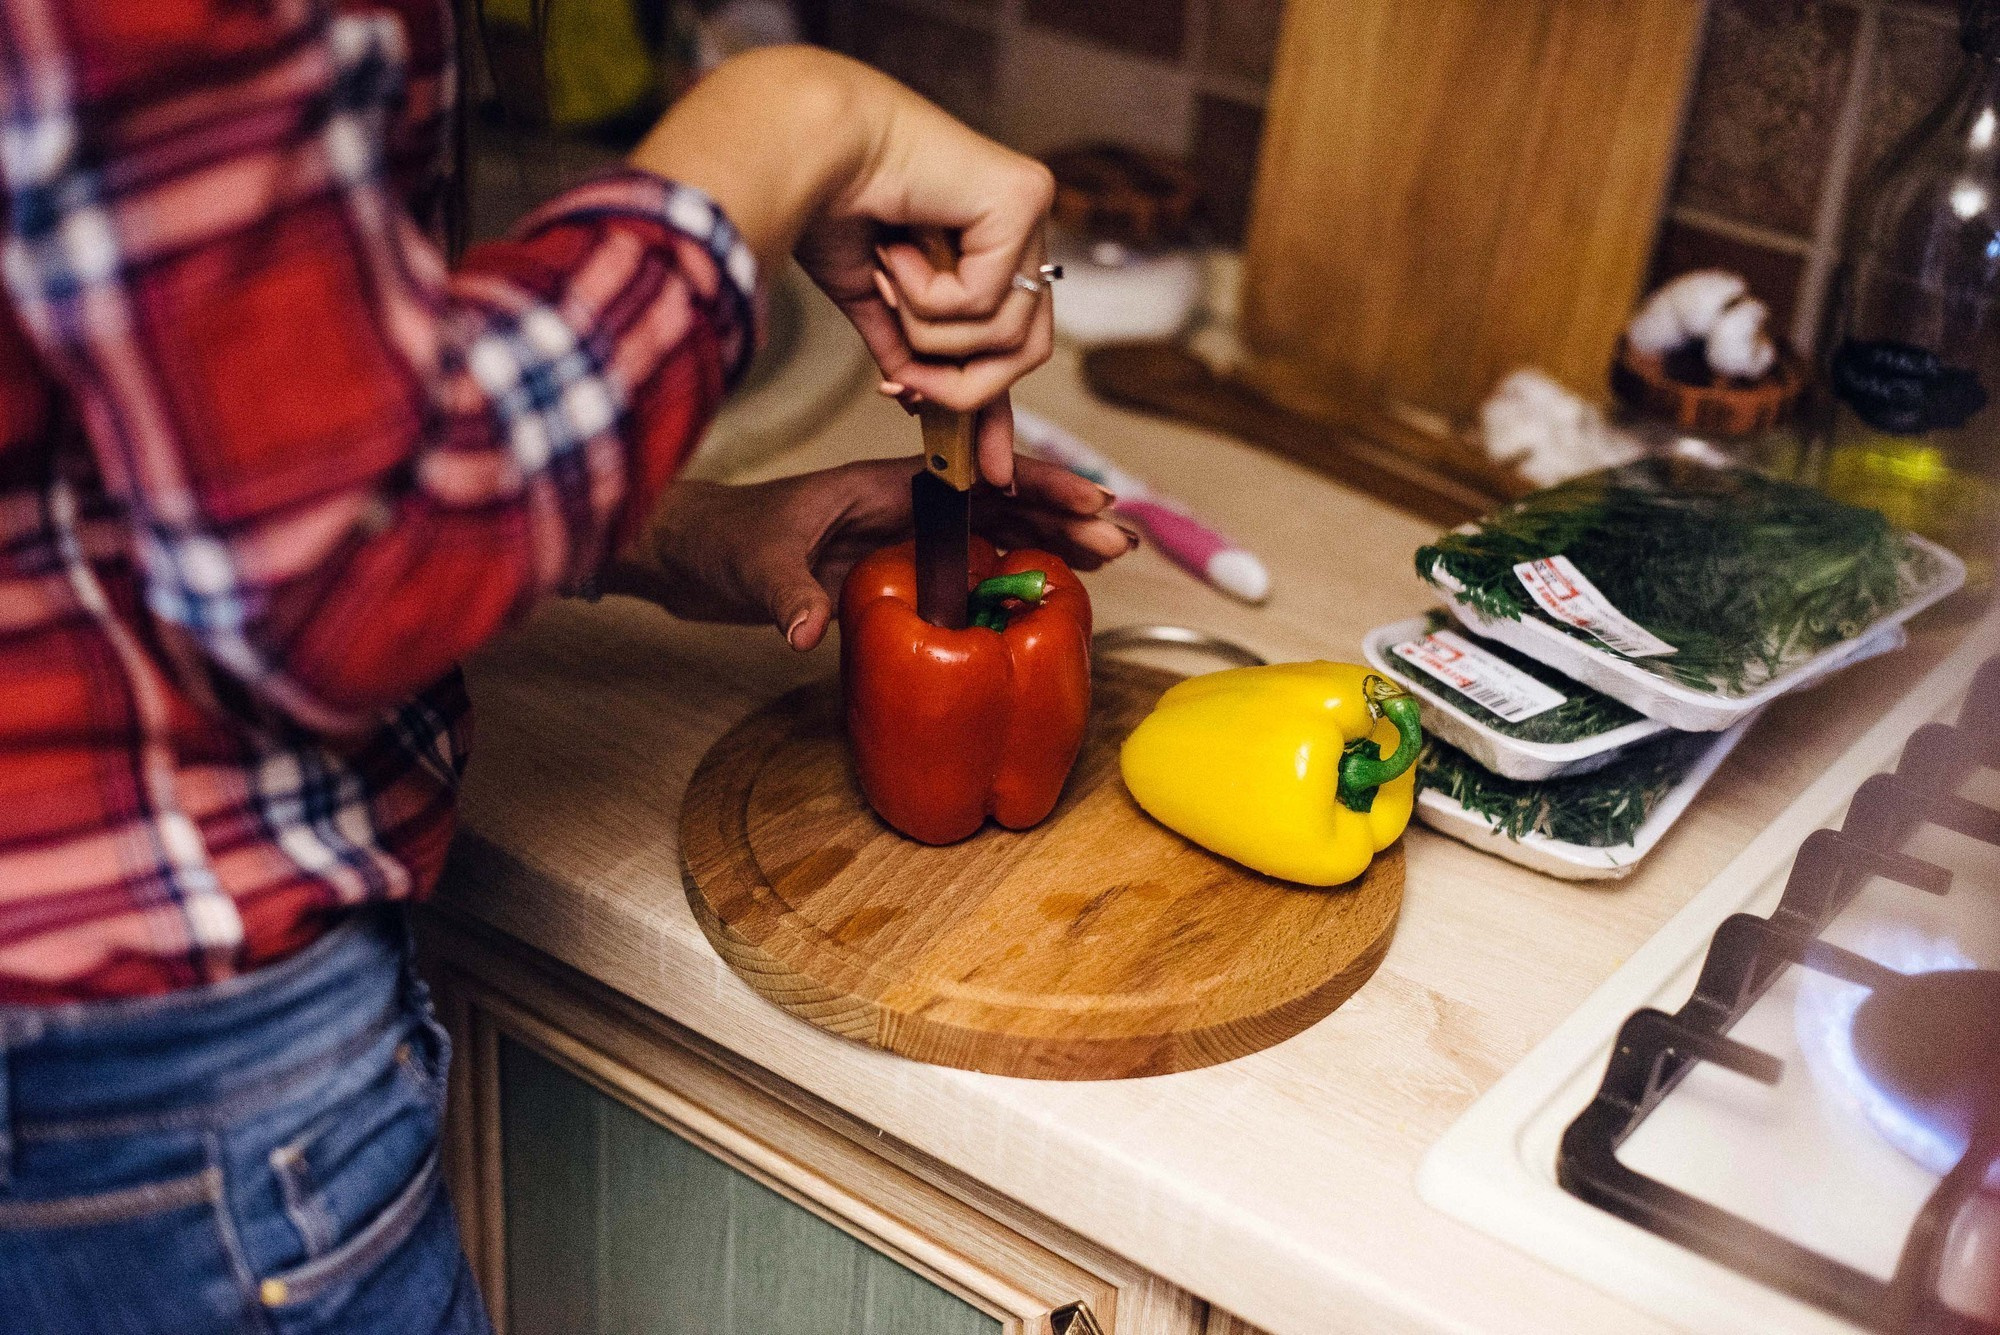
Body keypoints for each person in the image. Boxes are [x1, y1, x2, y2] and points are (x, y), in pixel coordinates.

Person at [0, 3, 1130, 1330]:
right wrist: (806, 121)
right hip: (149, 1090)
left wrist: (674, 530)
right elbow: (350, 555)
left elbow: (200, 409)